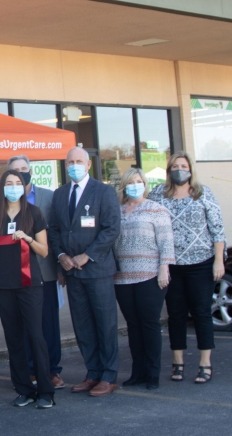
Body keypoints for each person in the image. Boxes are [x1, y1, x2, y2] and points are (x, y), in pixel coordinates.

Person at [48, 146, 121, 397]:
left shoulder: (104, 191)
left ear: (88, 165)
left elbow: (111, 229)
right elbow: (55, 230)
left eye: (79, 161)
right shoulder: (59, 194)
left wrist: (86, 255)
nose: (74, 165)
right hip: (72, 272)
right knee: (83, 326)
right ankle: (93, 373)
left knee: (105, 324)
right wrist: (61, 257)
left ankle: (109, 376)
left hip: (97, 270)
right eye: (70, 162)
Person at [149, 151, 225, 384]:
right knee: (176, 314)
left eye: (183, 165)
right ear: (168, 170)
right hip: (171, 265)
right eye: (174, 166)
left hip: (201, 264)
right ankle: (178, 362)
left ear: (190, 169)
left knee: (202, 312)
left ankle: (205, 363)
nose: (179, 170)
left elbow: (218, 229)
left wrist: (219, 260)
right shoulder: (158, 195)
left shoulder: (202, 194)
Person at [0, 170, 54, 409]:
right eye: (9, 183)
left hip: (30, 284)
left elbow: (44, 251)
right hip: (3, 285)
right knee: (13, 339)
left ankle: (45, 390)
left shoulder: (34, 213)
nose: (13, 187)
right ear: (2, 188)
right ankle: (23, 388)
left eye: (18, 183)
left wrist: (29, 239)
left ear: (25, 187)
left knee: (36, 336)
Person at [7, 155, 65, 389]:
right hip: (15, 275)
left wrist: (61, 268)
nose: (20, 174)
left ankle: (52, 371)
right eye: (15, 171)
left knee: (47, 324)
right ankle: (30, 370)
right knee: (22, 325)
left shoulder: (49, 198)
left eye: (24, 169)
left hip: (45, 271)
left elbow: (58, 234)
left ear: (31, 171)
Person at [113, 168, 175, 390]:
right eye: (131, 182)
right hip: (122, 277)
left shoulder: (157, 209)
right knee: (133, 325)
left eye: (139, 181)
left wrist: (164, 268)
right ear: (124, 186)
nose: (135, 185)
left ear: (145, 184)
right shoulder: (117, 211)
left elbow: (166, 242)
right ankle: (137, 372)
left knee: (149, 324)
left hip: (150, 275)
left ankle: (152, 374)